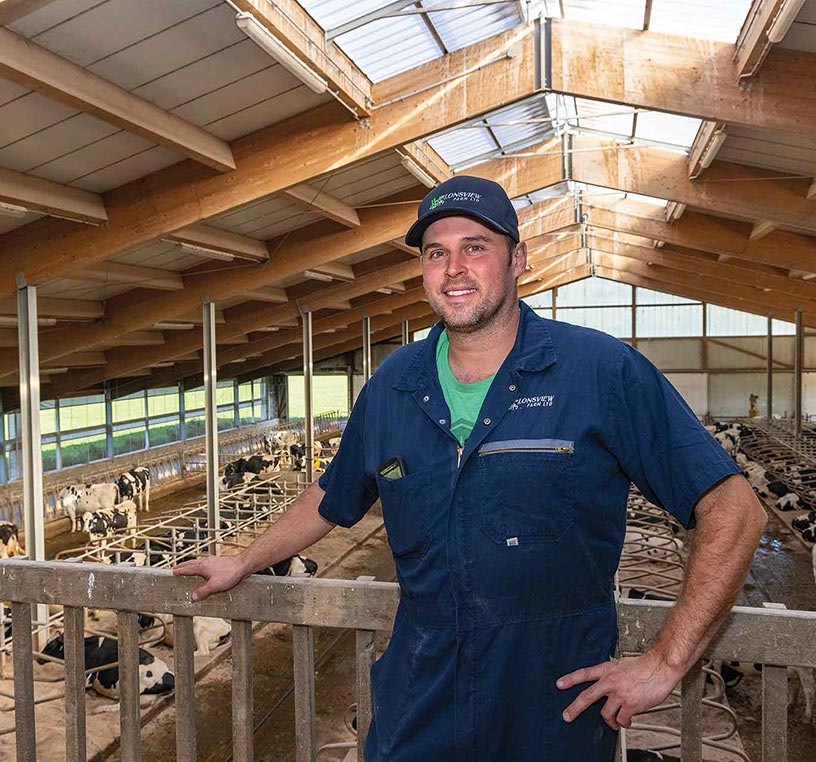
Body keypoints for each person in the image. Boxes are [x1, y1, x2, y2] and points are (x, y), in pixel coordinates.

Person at [173, 176, 767, 760]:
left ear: (518, 260)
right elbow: (331, 496)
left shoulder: (600, 371)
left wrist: (667, 661)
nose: (454, 268)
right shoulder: (393, 387)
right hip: (419, 698)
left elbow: (733, 508)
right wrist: (247, 559)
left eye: (475, 248)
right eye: (437, 253)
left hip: (553, 707)